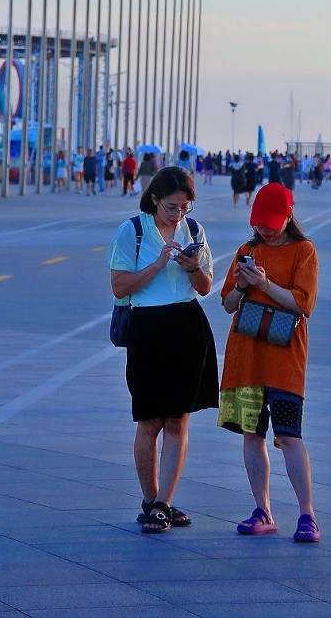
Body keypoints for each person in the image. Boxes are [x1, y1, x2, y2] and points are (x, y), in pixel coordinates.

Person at [108, 167, 218, 533]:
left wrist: (192, 267)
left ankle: (164, 503)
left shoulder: (195, 231)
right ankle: (150, 498)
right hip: (148, 329)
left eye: (184, 207)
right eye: (172, 207)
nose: (178, 215)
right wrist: (157, 265)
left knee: (178, 419)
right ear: (155, 199)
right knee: (149, 419)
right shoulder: (133, 231)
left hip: (187, 326)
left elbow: (205, 287)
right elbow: (120, 287)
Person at [218, 183, 320, 543]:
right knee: (252, 434)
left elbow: (302, 304)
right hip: (246, 357)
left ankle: (307, 515)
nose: (264, 229)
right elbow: (228, 304)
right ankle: (262, 509)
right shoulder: (247, 250)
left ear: (289, 216)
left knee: (289, 436)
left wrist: (265, 283)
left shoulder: (303, 251)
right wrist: (244, 286)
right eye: (259, 223)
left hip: (285, 358)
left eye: (272, 223)